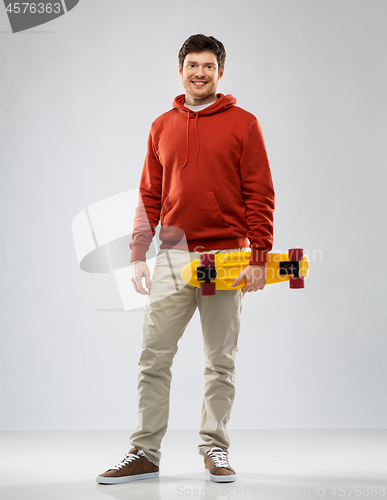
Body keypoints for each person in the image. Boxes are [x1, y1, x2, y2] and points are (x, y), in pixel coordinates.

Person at [96, 34, 275, 485]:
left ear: (220, 72)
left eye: (208, 66)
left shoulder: (244, 124)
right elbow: (149, 195)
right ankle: (144, 451)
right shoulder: (161, 126)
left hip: (229, 259)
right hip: (173, 259)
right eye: (192, 65)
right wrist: (139, 253)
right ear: (180, 70)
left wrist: (258, 254)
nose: (200, 73)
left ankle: (215, 447)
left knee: (221, 361)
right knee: (153, 358)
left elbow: (260, 193)